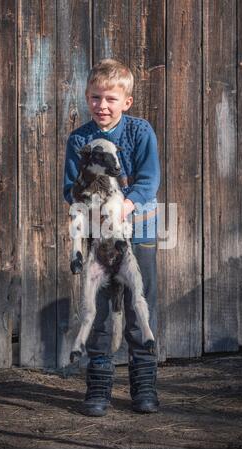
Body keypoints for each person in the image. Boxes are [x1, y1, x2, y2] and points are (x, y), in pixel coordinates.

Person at [63, 58, 160, 416]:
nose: (102, 106)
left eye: (110, 99)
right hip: (99, 236)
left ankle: (144, 386)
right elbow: (70, 189)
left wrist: (126, 205)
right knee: (101, 309)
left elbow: (149, 181)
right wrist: (91, 211)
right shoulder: (79, 139)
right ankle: (99, 386)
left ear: (126, 102)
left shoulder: (140, 132)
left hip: (141, 228)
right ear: (87, 97)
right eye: (94, 98)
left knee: (140, 303)